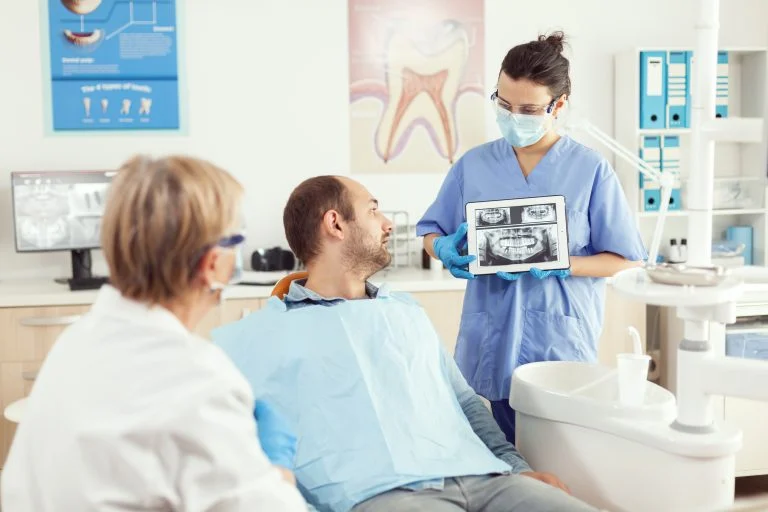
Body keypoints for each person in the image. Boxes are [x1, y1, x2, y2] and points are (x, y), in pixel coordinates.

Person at [212, 175, 598, 512]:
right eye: (373, 210)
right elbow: (250, 456)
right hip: (383, 494)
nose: (386, 225)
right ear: (335, 224)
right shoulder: (261, 336)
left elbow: (465, 402)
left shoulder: (404, 310)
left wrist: (517, 468)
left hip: (487, 478)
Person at [1, 155, 307, 511]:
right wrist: (277, 468)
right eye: (236, 238)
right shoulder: (198, 378)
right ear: (211, 264)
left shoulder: (79, 340)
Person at [417, 31, 647, 443]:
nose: (512, 115)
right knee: (501, 464)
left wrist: (561, 263)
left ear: (558, 106)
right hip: (488, 340)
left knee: (559, 463)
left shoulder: (590, 170)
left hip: (557, 341)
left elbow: (625, 259)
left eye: (527, 109)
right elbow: (431, 231)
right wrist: (443, 250)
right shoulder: (474, 166)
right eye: (503, 104)